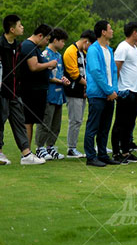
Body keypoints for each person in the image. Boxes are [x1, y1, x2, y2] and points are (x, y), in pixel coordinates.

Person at [0, 14, 44, 165]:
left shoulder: (17, 46)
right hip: (2, 91)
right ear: (12, 29)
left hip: (15, 91)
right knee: (0, 120)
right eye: (20, 25)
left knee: (19, 120)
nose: (22, 27)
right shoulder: (1, 45)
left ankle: (26, 154)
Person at [84, 20, 120, 166]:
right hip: (98, 94)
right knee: (93, 126)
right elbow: (96, 72)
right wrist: (109, 90)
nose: (112, 31)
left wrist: (114, 91)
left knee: (105, 127)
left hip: (109, 95)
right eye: (110, 29)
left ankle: (103, 154)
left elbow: (113, 71)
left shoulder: (109, 50)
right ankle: (91, 157)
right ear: (103, 32)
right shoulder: (93, 50)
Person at [18, 24, 57, 147]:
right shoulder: (28, 46)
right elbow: (33, 66)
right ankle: (26, 152)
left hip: (37, 90)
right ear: (40, 35)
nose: (46, 42)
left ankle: (28, 151)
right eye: (46, 39)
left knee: (31, 121)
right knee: (28, 121)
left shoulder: (34, 47)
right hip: (30, 90)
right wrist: (49, 63)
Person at [35, 28, 69, 160]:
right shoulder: (45, 55)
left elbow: (60, 74)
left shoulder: (59, 56)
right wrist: (59, 80)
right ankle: (40, 148)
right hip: (49, 94)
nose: (63, 44)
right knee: (45, 122)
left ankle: (51, 147)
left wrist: (64, 79)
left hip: (59, 95)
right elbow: (45, 75)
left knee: (56, 124)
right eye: (62, 41)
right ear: (55, 40)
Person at [112, 22, 137, 164]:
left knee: (130, 124)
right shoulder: (122, 47)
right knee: (120, 123)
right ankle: (116, 152)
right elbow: (116, 69)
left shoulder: (135, 48)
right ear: (134, 32)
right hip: (125, 91)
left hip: (135, 91)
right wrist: (116, 88)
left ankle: (125, 151)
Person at [63, 29, 95, 158]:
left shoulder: (84, 52)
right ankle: (71, 148)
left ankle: (73, 147)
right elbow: (74, 75)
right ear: (86, 41)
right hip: (73, 90)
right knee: (75, 120)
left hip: (82, 91)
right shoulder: (71, 52)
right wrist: (89, 85)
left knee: (79, 120)